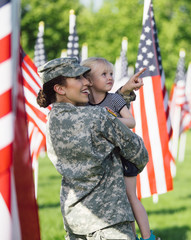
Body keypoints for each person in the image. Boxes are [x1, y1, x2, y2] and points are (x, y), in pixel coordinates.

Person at [37, 57, 149, 240]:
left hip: (75, 221)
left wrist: (124, 93)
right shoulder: (98, 117)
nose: (87, 82)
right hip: (110, 221)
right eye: (78, 78)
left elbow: (100, 103)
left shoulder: (50, 121)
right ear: (60, 88)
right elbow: (139, 152)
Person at [80, 57, 155, 240]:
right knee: (119, 201)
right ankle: (131, 235)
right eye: (103, 74)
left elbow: (131, 121)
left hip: (124, 156)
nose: (110, 78)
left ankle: (147, 237)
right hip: (105, 160)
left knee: (130, 196)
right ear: (88, 81)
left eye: (111, 74)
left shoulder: (113, 100)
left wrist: (108, 119)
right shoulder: (84, 104)